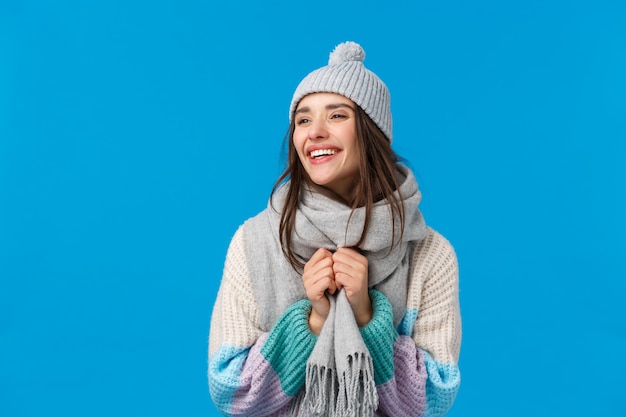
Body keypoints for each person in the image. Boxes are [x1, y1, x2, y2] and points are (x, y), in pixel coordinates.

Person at [208, 41, 461, 417]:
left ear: (372, 132)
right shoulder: (254, 242)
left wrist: (365, 318)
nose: (315, 132)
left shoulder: (429, 253)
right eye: (303, 119)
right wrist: (315, 321)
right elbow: (231, 392)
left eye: (337, 116)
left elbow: (433, 400)